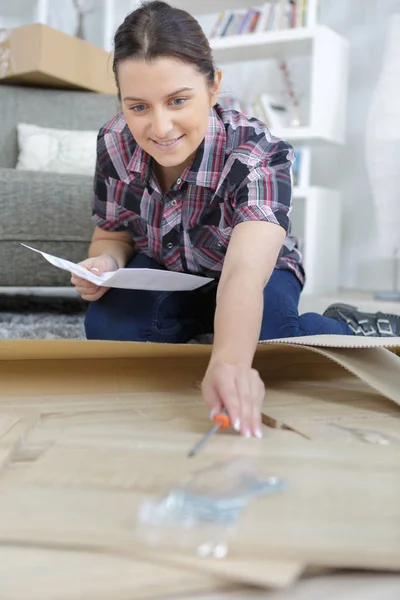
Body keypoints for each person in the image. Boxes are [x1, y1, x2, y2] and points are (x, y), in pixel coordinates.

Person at [71, 0, 400, 439]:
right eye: (139, 107)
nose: (161, 126)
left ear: (214, 88)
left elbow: (244, 272)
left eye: (178, 100)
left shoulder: (260, 151)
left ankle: (349, 325)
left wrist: (228, 362)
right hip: (169, 270)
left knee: (271, 340)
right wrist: (106, 265)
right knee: (108, 328)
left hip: (252, 271)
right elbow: (111, 232)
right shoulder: (113, 141)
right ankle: (207, 322)